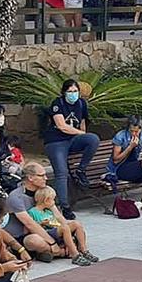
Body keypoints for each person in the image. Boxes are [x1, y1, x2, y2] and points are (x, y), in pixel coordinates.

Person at [7, 162, 91, 262]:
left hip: (49, 228)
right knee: (34, 241)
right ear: (30, 178)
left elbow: (58, 215)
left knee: (75, 224)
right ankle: (62, 252)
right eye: (42, 175)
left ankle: (82, 250)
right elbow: (30, 224)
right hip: (27, 234)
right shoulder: (16, 197)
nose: (46, 178)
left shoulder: (44, 191)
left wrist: (69, 236)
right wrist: (52, 243)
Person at [43, 77, 100, 211]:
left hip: (73, 139)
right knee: (62, 173)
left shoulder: (81, 104)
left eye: (75, 91)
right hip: (57, 141)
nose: (73, 94)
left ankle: (81, 169)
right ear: (64, 92)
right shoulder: (58, 104)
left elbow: (83, 122)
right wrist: (80, 133)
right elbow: (62, 126)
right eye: (70, 91)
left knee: (93, 139)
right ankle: (65, 206)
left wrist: (83, 133)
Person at [26, 184, 96, 264]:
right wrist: (41, 223)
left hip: (55, 230)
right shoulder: (32, 211)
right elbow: (32, 227)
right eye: (53, 199)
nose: (54, 202)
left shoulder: (48, 211)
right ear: (46, 200)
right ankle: (75, 255)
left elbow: (58, 220)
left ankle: (84, 249)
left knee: (76, 224)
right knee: (65, 228)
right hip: (46, 232)